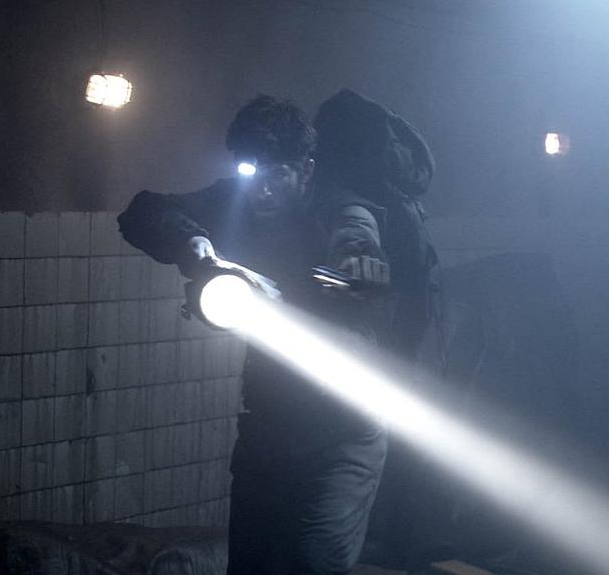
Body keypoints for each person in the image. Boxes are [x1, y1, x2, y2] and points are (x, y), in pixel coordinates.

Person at [118, 95, 392, 574]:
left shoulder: (338, 207)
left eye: (276, 175)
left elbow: (357, 233)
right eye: (249, 172)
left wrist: (358, 261)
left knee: (315, 562)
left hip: (343, 430)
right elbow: (142, 211)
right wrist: (191, 241)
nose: (260, 190)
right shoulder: (235, 198)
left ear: (305, 170)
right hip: (270, 424)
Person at [313, 88, 451, 571]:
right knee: (401, 466)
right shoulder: (396, 192)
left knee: (388, 469)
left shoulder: (360, 194)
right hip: (405, 348)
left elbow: (363, 256)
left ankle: (392, 551)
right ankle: (398, 551)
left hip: (389, 349)